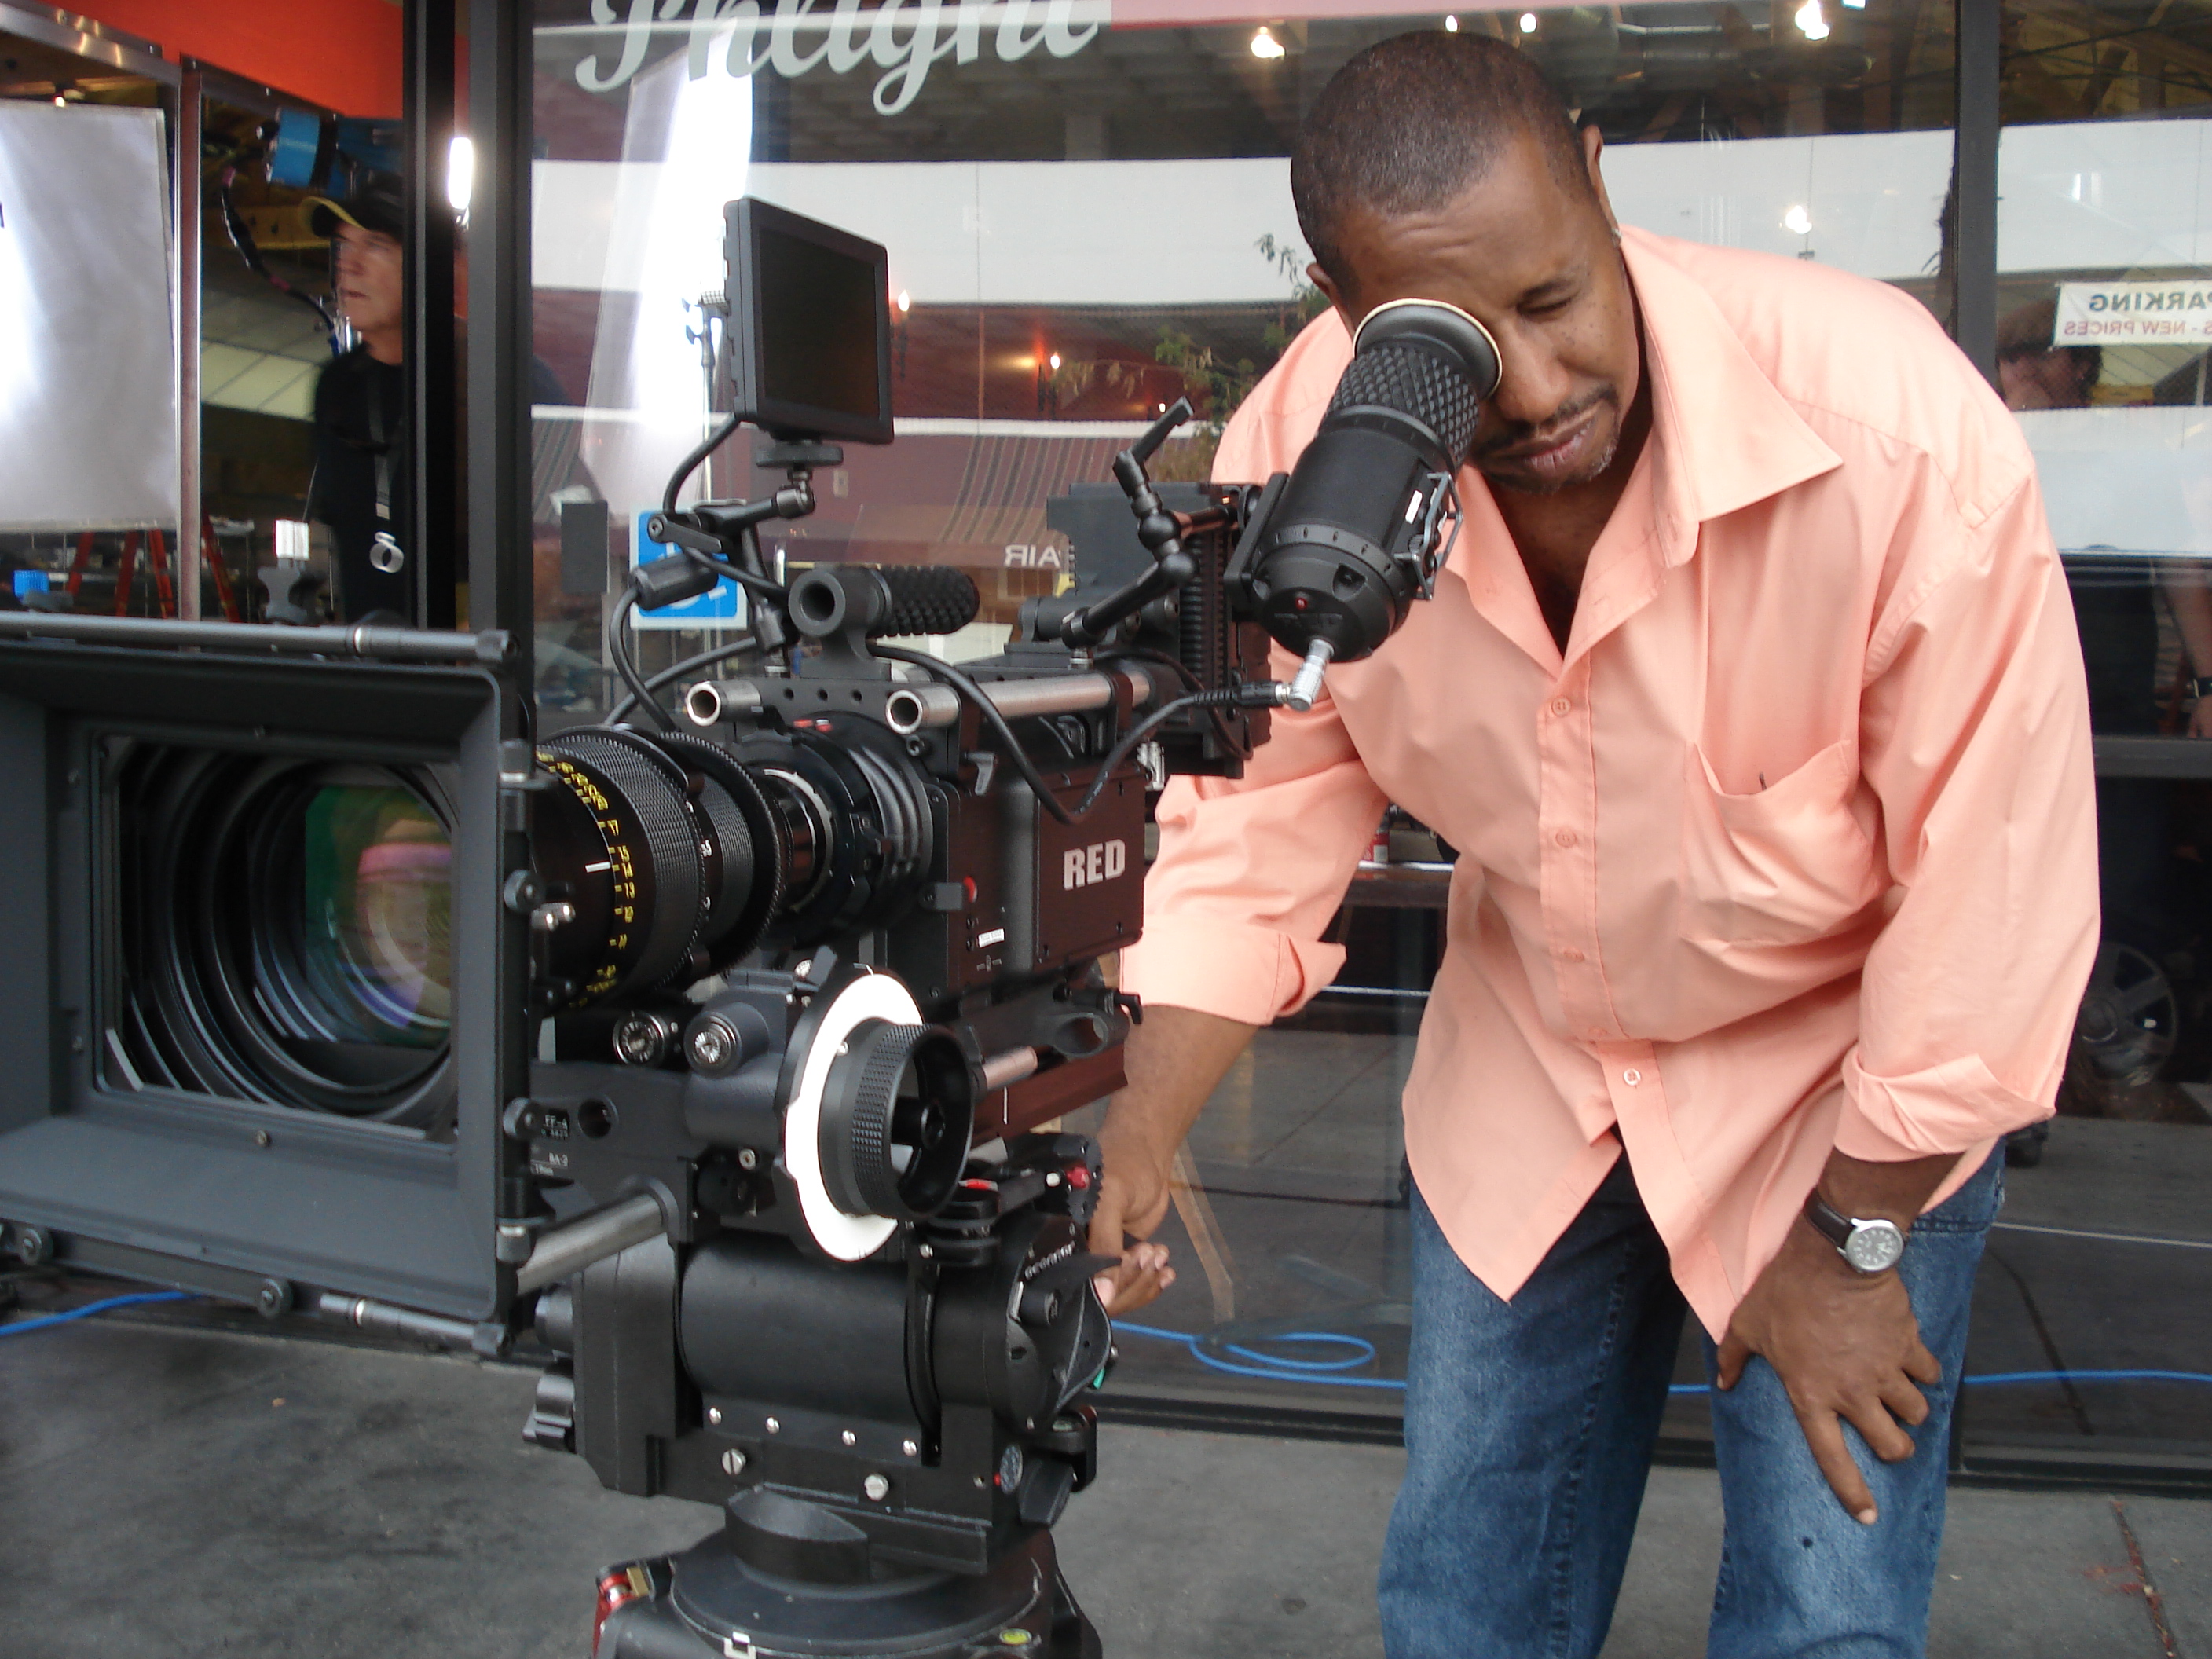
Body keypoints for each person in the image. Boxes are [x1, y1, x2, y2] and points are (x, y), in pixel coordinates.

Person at [1087, 33, 2097, 1659]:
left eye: (1555, 303)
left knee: (1820, 1622)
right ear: (1353, 321)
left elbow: (1994, 908)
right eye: (1464, 351)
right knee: (1466, 1600)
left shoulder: (1895, 424)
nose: (1540, 392)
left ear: (1601, 189)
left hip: (1840, 1107)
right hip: (1535, 1074)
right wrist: (1131, 1138)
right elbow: (1251, 827)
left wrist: (1849, 1252)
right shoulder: (1301, 459)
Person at [304, 176, 414, 621]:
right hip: (373, 663)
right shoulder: (338, 386)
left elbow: (558, 547)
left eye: (375, 246)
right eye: (343, 247)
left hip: (472, 669)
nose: (348, 266)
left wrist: (468, 643)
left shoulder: (488, 379)